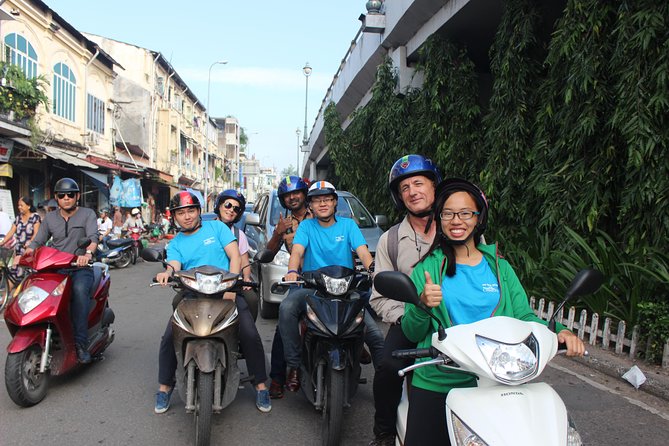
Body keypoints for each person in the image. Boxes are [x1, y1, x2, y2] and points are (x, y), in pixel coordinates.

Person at [400, 178, 586, 446]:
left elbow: (524, 317)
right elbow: (411, 332)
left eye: (466, 213)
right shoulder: (427, 269)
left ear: (478, 218)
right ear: (439, 219)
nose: (457, 220)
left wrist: (560, 331)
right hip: (441, 380)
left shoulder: (500, 268)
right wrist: (421, 304)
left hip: (498, 381)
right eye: (448, 213)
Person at [153, 191, 271, 414]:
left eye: (190, 210)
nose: (186, 216)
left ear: (199, 211)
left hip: (226, 291)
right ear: (174, 217)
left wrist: (231, 289)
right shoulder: (176, 243)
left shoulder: (217, 228)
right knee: (170, 335)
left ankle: (261, 385)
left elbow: (235, 256)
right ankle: (165, 387)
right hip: (193, 295)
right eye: (181, 213)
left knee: (248, 332)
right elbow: (174, 264)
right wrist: (167, 272)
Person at [279, 180, 383, 392]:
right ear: (311, 206)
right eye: (317, 201)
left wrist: (373, 270)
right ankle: (294, 366)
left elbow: (363, 251)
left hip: (347, 288)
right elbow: (297, 252)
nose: (323, 204)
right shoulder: (306, 227)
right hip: (313, 287)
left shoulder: (348, 225)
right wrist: (292, 272)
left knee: (375, 335)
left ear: (335, 203)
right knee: (287, 308)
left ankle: (387, 385)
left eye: (327, 199)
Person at [368, 154, 441, 446]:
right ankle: (384, 431)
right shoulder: (391, 239)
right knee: (387, 366)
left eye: (419, 183)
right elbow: (380, 295)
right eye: (405, 187)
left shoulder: (459, 230)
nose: (412, 191)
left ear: (435, 187)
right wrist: (406, 318)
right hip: (410, 319)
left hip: (457, 322)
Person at [26, 178, 98, 364]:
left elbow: (92, 238)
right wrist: (25, 253)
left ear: (77, 196)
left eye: (70, 194)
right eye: (62, 195)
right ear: (56, 198)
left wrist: (87, 254)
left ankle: (80, 343)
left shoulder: (87, 214)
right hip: (57, 268)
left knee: (79, 291)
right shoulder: (49, 218)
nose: (66, 198)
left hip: (80, 267)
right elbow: (38, 241)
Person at [265, 175, 312, 399]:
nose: (292, 197)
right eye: (287, 195)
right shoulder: (285, 223)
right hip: (300, 281)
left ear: (305, 194)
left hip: (331, 278)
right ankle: (278, 377)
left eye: (296, 193)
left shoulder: (320, 213)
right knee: (284, 323)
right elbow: (269, 253)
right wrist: (278, 232)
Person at [215, 189, 258, 320]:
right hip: (204, 283)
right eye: (228, 205)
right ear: (219, 205)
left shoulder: (240, 235)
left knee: (252, 300)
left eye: (236, 209)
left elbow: (244, 262)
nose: (231, 210)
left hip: (232, 283)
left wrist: (246, 279)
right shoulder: (205, 229)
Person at [2, 196, 42, 285]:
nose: (19, 207)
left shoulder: (35, 217)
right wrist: (2, 242)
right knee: (13, 273)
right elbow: (11, 232)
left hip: (30, 251)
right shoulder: (18, 218)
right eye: (18, 205)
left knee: (27, 275)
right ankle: (6, 297)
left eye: (21, 205)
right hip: (19, 251)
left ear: (28, 206)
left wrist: (30, 243)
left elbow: (36, 233)